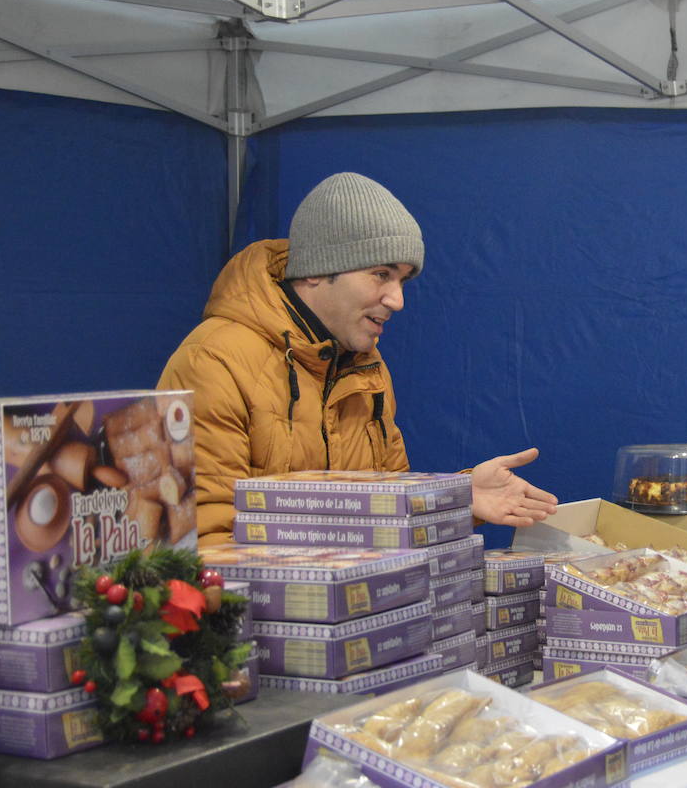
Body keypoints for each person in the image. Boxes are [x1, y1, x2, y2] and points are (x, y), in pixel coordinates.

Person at [158, 172, 558, 545]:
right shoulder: (212, 362)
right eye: (381, 274)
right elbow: (202, 540)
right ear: (317, 270)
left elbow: (389, 512)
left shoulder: (368, 368)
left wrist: (458, 497)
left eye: (402, 280)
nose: (397, 300)